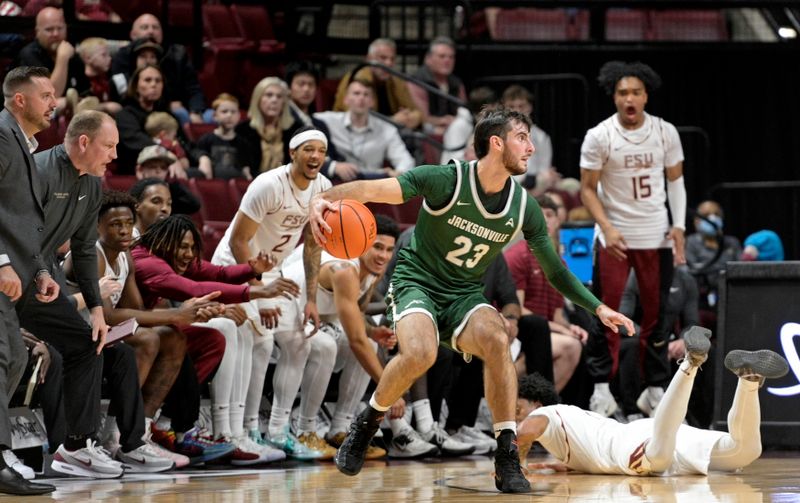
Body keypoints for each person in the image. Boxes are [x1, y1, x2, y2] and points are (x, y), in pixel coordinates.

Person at [309, 107, 634, 493]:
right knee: (421, 353)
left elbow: (556, 271)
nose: (531, 148)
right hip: (418, 283)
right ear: (496, 143)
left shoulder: (524, 205)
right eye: (522, 138)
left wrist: (597, 307)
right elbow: (371, 188)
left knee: (498, 338)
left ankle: (506, 453)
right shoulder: (445, 179)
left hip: (463, 294)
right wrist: (324, 197)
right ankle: (368, 422)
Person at [515, 327, 789, 476]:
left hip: (632, 443)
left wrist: (515, 464)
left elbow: (521, 434)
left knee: (657, 457)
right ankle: (749, 381)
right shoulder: (569, 425)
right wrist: (560, 465)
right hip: (653, 434)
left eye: (518, 409)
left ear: (537, 404)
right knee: (744, 451)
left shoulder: (548, 413)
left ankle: (690, 364)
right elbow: (583, 452)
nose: (516, 415)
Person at [210, 127, 332, 453]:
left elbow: (313, 247)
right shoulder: (268, 184)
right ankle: (244, 430)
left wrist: (311, 300)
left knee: (299, 344)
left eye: (321, 150)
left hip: (272, 269)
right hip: (234, 267)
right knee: (260, 342)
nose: (315, 156)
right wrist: (257, 290)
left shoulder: (324, 188)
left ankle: (278, 431)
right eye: (308, 149)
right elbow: (238, 241)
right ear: (292, 153)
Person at [579, 61, 687, 419]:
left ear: (645, 95)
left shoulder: (665, 132)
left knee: (658, 314)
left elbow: (675, 182)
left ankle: (654, 389)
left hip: (655, 235)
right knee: (606, 311)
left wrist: (679, 226)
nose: (629, 98)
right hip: (616, 237)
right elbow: (587, 190)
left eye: (636, 92)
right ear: (614, 95)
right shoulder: (599, 135)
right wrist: (607, 227)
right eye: (623, 92)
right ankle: (600, 390)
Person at [20, 110, 123, 478]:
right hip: (11, 275)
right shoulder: (40, 170)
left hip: (40, 280)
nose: (113, 155)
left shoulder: (92, 183)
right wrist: (43, 271)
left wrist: (96, 307)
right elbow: (18, 233)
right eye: (108, 146)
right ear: (84, 142)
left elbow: (82, 249)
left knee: (86, 344)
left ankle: (76, 447)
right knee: (11, 357)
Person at [0, 66, 58, 495]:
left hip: (17, 271)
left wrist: (37, 268)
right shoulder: (1, 135)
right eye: (46, 95)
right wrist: (1, 262)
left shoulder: (25, 142)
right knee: (5, 358)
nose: (54, 102)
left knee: (14, 359)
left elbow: (22, 221)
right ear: (20, 99)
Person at [110, 13, 208, 125]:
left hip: (178, 110)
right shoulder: (123, 56)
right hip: (138, 110)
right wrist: (165, 104)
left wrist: (196, 111)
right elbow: (122, 92)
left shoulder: (177, 54)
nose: (151, 31)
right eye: (144, 27)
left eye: (155, 27)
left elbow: (193, 89)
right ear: (133, 34)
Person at [315, 79, 415, 179]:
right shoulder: (329, 121)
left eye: (366, 94)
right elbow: (304, 119)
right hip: (341, 182)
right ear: (346, 99)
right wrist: (332, 165)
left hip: (373, 183)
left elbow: (405, 160)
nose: (361, 98)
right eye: (356, 93)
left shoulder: (387, 129)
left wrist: (399, 173)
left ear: (372, 102)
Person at [333, 38, 423, 130]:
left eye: (392, 59)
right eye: (383, 58)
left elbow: (416, 111)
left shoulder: (395, 79)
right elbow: (357, 117)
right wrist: (391, 121)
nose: (389, 63)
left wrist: (410, 118)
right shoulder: (357, 79)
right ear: (369, 59)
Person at [116, 64, 186, 177]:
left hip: (170, 169)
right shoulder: (125, 115)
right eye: (147, 80)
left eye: (158, 81)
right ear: (136, 86)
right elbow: (137, 140)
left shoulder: (169, 115)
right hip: (137, 172)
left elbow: (184, 142)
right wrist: (167, 155)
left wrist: (202, 157)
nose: (154, 84)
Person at [236, 77, 303, 175]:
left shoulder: (295, 130)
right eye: (269, 95)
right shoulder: (243, 130)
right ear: (258, 99)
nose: (274, 100)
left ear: (284, 102)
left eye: (279, 96)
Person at [14, 7, 84, 99]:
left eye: (60, 28)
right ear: (37, 32)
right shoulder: (28, 55)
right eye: (49, 29)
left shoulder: (71, 53)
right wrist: (62, 58)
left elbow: (83, 94)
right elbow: (50, 96)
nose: (56, 34)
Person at [685, 200, 741, 310]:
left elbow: (741, 270)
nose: (712, 218)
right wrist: (725, 268)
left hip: (732, 298)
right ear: (697, 221)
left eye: (716, 214)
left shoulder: (732, 243)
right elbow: (693, 269)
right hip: (702, 302)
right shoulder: (690, 242)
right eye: (706, 215)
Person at [501, 85, 555, 190]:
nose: (516, 111)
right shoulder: (495, 135)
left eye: (521, 106)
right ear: (504, 108)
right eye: (511, 106)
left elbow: (544, 169)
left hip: (534, 184)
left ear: (530, 107)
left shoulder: (542, 137)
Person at [195, 93, 252, 180]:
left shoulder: (243, 143)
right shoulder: (206, 140)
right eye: (224, 111)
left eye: (233, 112)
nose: (229, 115)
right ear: (215, 116)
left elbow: (245, 167)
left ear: (239, 116)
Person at [132, 149, 201, 218]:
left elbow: (195, 205)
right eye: (152, 167)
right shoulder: (136, 191)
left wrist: (173, 183)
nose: (158, 171)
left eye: (163, 168)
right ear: (140, 170)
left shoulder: (172, 192)